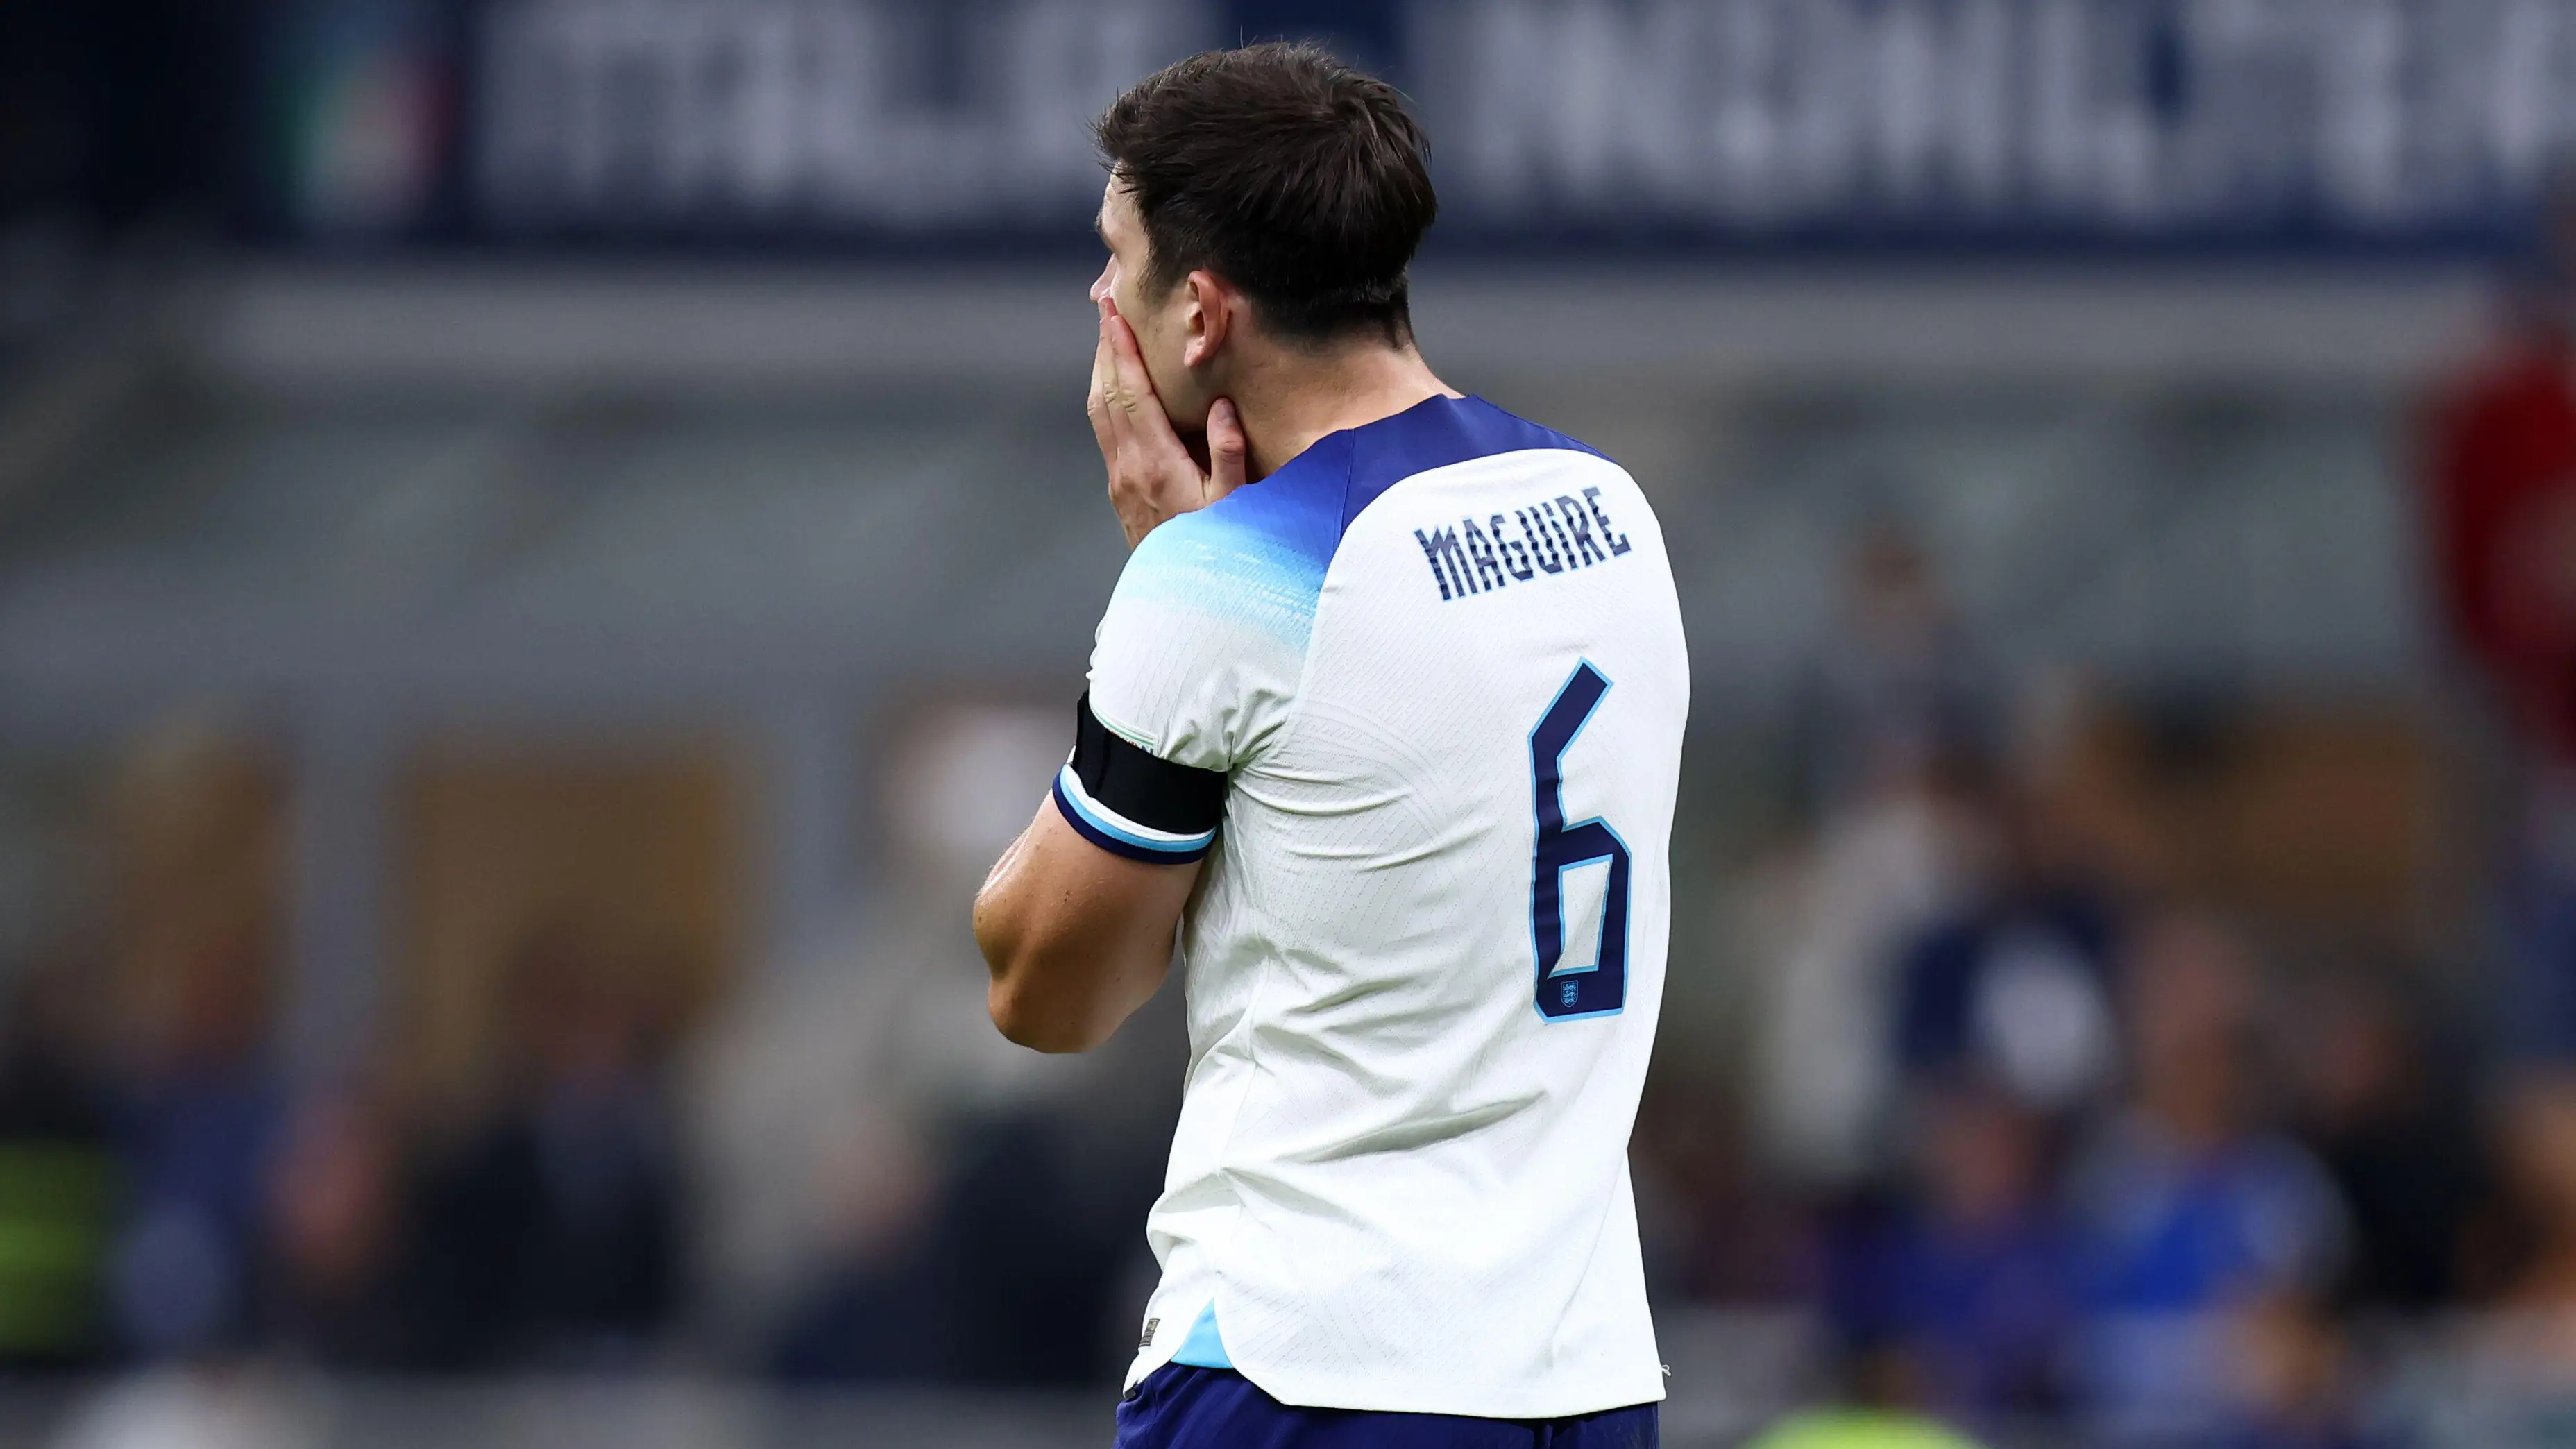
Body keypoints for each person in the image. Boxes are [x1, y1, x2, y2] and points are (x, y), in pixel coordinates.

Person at [972, 42, 1687, 1446]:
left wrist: (1172, 575)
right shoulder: (1608, 510)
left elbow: (1044, 991)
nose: (1100, 300)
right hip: (1584, 1376)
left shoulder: (1225, 584)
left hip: (1307, 1370)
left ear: (1200, 314)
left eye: (1115, 259)